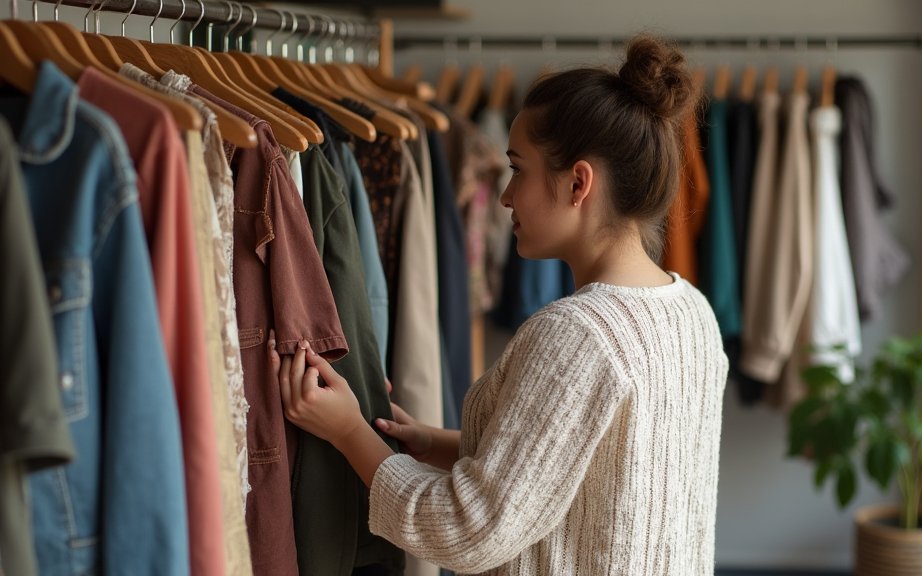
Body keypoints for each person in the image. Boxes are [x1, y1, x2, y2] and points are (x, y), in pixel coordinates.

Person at [271, 35, 728, 576]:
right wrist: (431, 443)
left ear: (579, 182)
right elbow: (581, 463)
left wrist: (348, 433)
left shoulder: (578, 334)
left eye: (519, 169)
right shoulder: (691, 313)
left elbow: (467, 531)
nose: (506, 196)